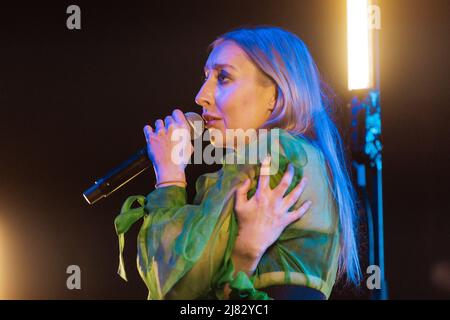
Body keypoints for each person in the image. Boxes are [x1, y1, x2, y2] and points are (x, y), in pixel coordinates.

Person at [114, 26, 361, 300]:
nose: (201, 96)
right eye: (206, 77)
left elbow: (173, 284)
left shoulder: (274, 151)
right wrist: (244, 252)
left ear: (275, 96)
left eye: (223, 78)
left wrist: (169, 176)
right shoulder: (300, 154)